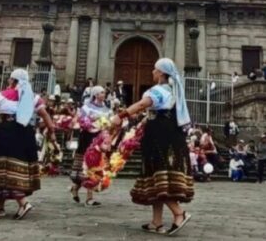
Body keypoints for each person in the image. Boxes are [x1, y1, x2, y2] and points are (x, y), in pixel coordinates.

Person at [110, 58, 193, 236]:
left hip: (159, 139)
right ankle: (156, 222)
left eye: (155, 70)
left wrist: (121, 115)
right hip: (172, 137)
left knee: (159, 175)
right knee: (160, 178)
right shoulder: (174, 90)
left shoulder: (158, 90)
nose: (152, 72)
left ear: (162, 73)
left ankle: (179, 213)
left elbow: (141, 105)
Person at [0, 69, 57, 220]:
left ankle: (23, 203)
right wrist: (52, 133)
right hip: (26, 134)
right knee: (14, 168)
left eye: (9, 80)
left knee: (4, 168)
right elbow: (45, 116)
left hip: (6, 133)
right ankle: (0, 206)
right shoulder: (33, 97)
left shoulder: (0, 96)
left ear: (13, 81)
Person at [70, 85, 113, 207]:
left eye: (104, 93)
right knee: (88, 164)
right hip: (87, 137)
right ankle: (89, 198)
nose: (103, 94)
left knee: (94, 165)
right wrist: (90, 125)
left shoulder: (107, 109)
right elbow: (80, 119)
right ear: (95, 94)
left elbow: (110, 123)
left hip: (99, 139)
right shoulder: (86, 107)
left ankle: (75, 189)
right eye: (101, 92)